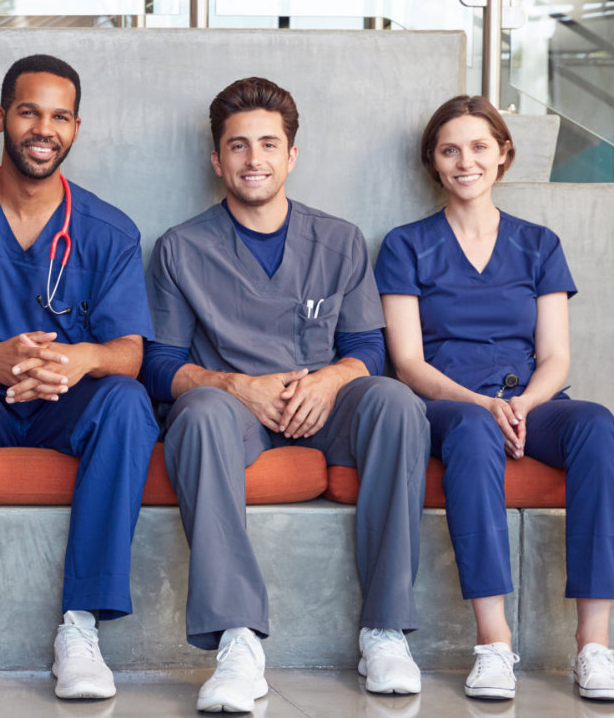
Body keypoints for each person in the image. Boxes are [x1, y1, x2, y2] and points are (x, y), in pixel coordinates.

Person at [141, 77, 429, 712]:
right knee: (196, 414)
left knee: (396, 403)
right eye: (238, 146)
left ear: (292, 155)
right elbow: (158, 363)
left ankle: (384, 631)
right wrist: (235, 385)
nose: (254, 160)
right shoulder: (180, 248)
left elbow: (370, 349)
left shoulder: (341, 240)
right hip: (234, 412)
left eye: (269, 144)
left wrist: (328, 380)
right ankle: (238, 641)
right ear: (217, 159)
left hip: (325, 407)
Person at [0, 54, 158, 701]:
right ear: (1, 117)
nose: (42, 129)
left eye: (58, 116)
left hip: (66, 405)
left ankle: (79, 629)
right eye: (28, 112)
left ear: (75, 127)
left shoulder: (107, 229)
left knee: (127, 401)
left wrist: (81, 359)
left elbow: (128, 351)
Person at [375, 95, 614, 702]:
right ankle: (493, 645)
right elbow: (409, 364)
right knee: (470, 429)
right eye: (450, 149)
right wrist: (483, 405)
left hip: (531, 403)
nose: (466, 161)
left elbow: (556, 357)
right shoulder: (405, 245)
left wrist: (524, 404)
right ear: (434, 163)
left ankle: (593, 648)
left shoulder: (539, 244)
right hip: (451, 403)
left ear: (503, 154)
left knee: (598, 425)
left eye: (480, 146)